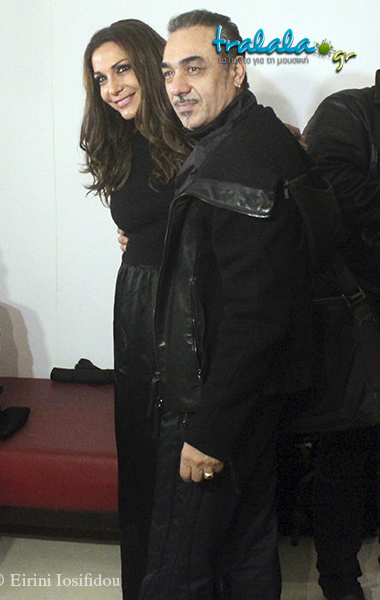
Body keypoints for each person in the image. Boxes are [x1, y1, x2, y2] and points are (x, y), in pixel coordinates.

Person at [138, 9, 336, 600]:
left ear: (237, 70)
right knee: (246, 554)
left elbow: (257, 317)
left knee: (179, 569)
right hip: (248, 399)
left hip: (214, 403)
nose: (177, 86)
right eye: (169, 71)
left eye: (194, 68)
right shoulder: (256, 137)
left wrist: (209, 432)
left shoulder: (239, 160)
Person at [80, 20, 192, 600]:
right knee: (141, 452)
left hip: (185, 307)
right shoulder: (122, 141)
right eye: (101, 78)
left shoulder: (196, 133)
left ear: (150, 64)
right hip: (136, 306)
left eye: (122, 69)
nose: (112, 87)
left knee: (181, 452)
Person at [302, 70, 380, 600]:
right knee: (347, 452)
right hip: (356, 316)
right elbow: (333, 188)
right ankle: (339, 578)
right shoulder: (348, 111)